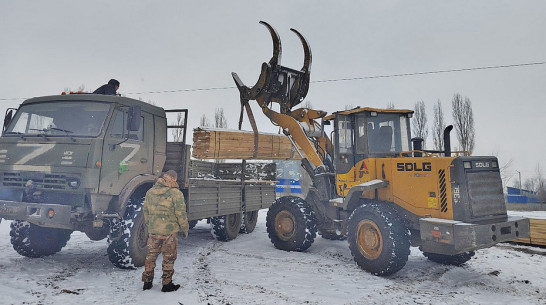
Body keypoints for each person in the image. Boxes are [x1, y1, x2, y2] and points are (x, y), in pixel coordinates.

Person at [141, 170, 189, 292]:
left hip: (154, 231)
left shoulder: (150, 192)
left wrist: (150, 225)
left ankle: (147, 282)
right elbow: (181, 214)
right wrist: (185, 228)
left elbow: (145, 211)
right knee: (168, 257)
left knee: (151, 256)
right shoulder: (175, 194)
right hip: (169, 232)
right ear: (172, 179)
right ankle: (167, 285)